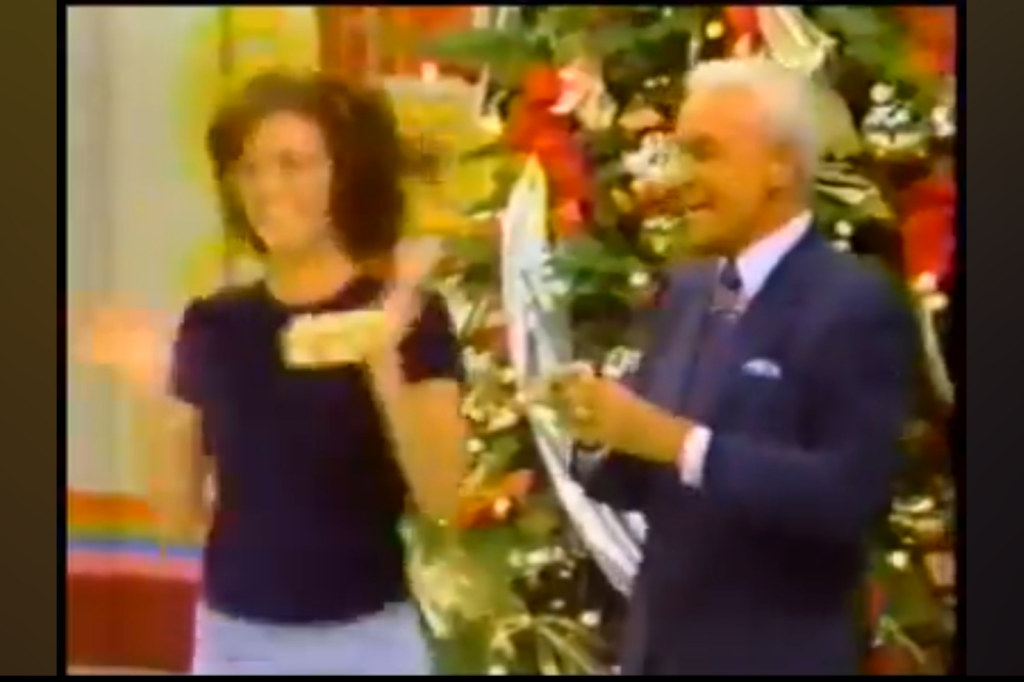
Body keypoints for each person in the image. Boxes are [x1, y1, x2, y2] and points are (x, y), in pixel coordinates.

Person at [82, 72, 468, 674]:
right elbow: (175, 514)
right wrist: (150, 389)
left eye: (293, 164)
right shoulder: (213, 325)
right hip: (235, 644)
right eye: (250, 168)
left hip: (367, 644)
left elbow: (442, 495)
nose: (267, 188)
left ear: (344, 176)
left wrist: (382, 358)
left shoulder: (408, 316)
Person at [552, 58, 919, 675]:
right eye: (678, 154)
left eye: (705, 154)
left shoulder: (854, 303)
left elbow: (850, 495)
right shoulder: (689, 290)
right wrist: (599, 432)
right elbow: (641, 478)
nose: (680, 178)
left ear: (781, 164)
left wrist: (676, 442)